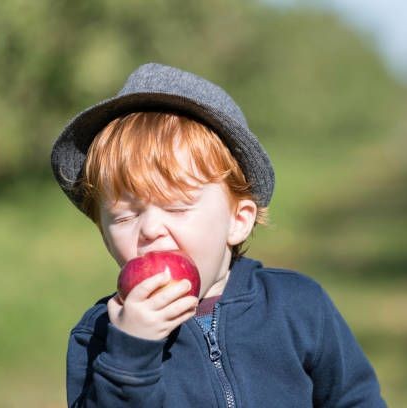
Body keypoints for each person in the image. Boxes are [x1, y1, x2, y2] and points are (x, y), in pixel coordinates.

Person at [52, 63, 386, 407]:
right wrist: (131, 354)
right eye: (125, 216)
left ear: (238, 220)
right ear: (104, 235)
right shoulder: (100, 336)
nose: (150, 229)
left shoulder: (298, 308)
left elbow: (356, 399)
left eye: (178, 207)